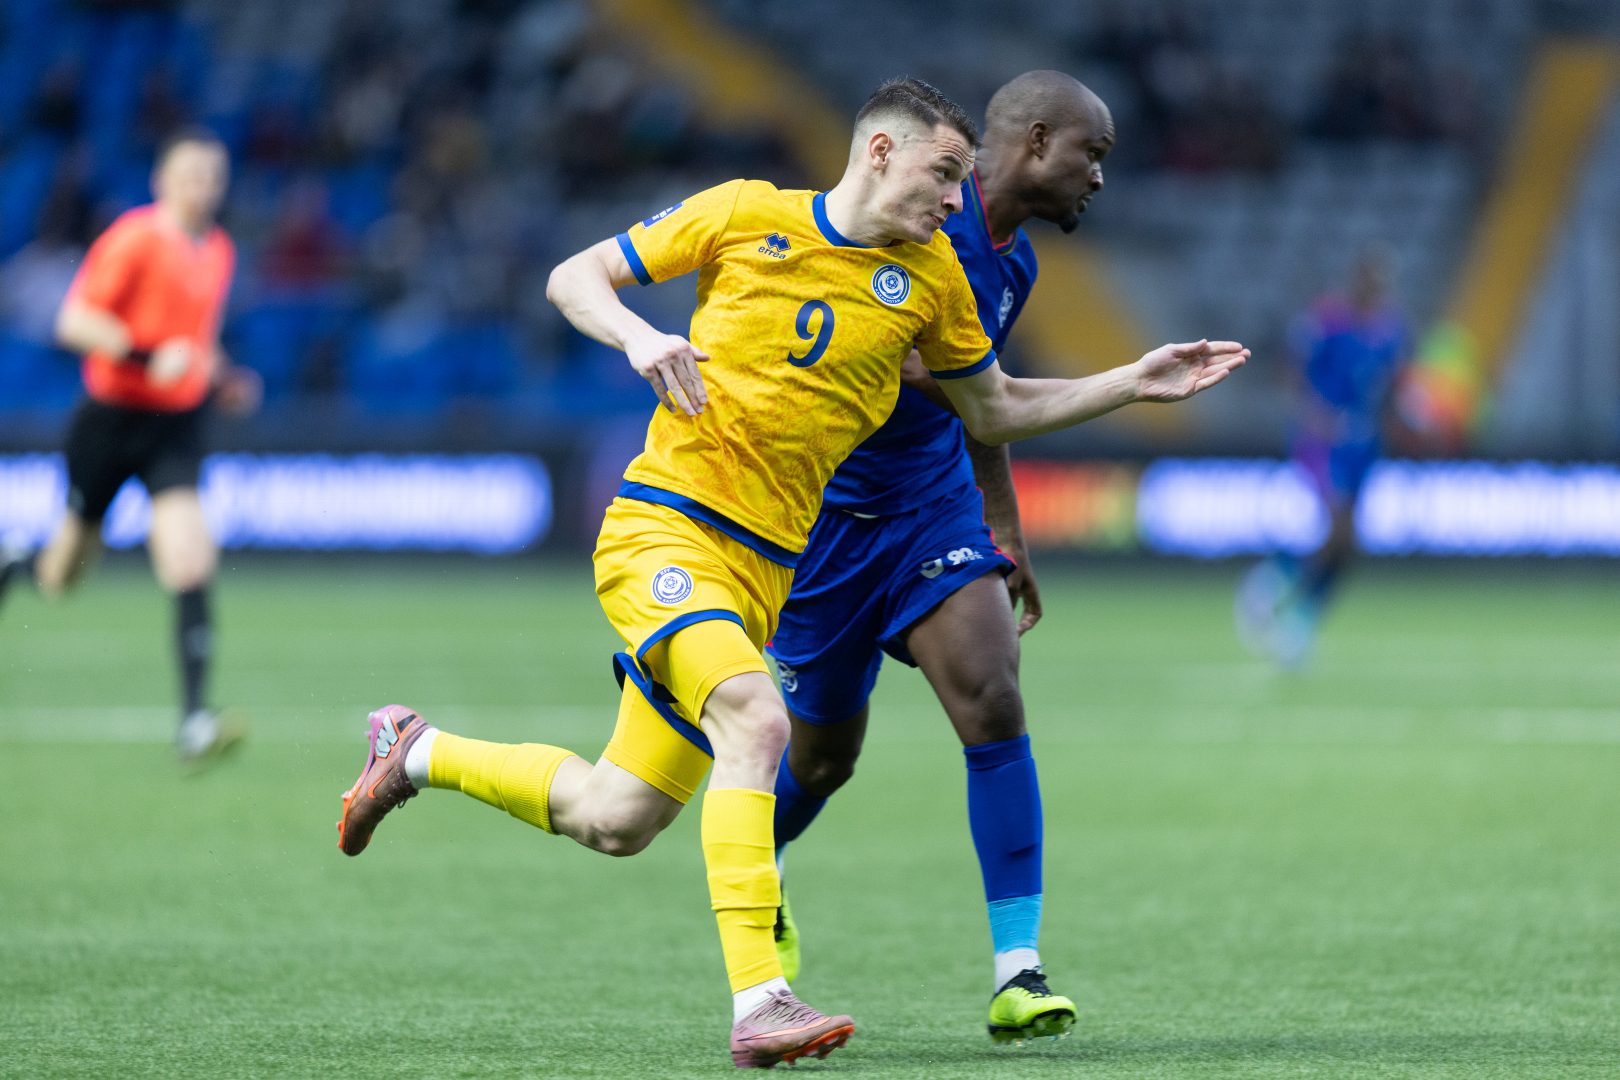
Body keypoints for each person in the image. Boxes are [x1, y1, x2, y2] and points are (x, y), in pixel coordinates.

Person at [335, 77, 1246, 1069]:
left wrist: (1133, 382)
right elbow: (574, 275)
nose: (956, 199)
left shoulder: (935, 279)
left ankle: (414, 750)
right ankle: (761, 1000)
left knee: (614, 817)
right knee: (762, 723)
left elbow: (993, 409)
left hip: (767, 572)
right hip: (666, 533)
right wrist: (641, 335)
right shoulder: (744, 214)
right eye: (945, 173)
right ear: (881, 152)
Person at [764, 70, 1112, 1045]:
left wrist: (1003, 527)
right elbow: (928, 369)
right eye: (1091, 154)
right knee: (823, 759)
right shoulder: (912, 220)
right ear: (1036, 141)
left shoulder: (1016, 263)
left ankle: (1019, 971)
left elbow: (977, 401)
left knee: (993, 697)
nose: (1097, 177)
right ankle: (761, 863)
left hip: (930, 511)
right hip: (829, 524)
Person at [0, 128, 261, 761]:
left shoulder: (218, 249)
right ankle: (15, 562)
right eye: (191, 174)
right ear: (162, 180)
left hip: (174, 428)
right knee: (62, 577)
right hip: (111, 421)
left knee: (190, 560)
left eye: (212, 175)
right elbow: (74, 321)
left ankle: (195, 722)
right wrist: (146, 356)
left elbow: (197, 340)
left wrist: (222, 377)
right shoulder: (134, 238)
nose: (203, 186)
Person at [1235, 248, 1410, 667]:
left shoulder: (1391, 330)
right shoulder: (1328, 319)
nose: (1378, 290)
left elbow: (1393, 386)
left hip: (1363, 445)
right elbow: (1290, 366)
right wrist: (1313, 413)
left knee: (1347, 546)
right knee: (1337, 529)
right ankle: (1269, 589)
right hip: (1322, 442)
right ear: (1358, 281)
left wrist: (1404, 423)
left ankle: (1299, 618)